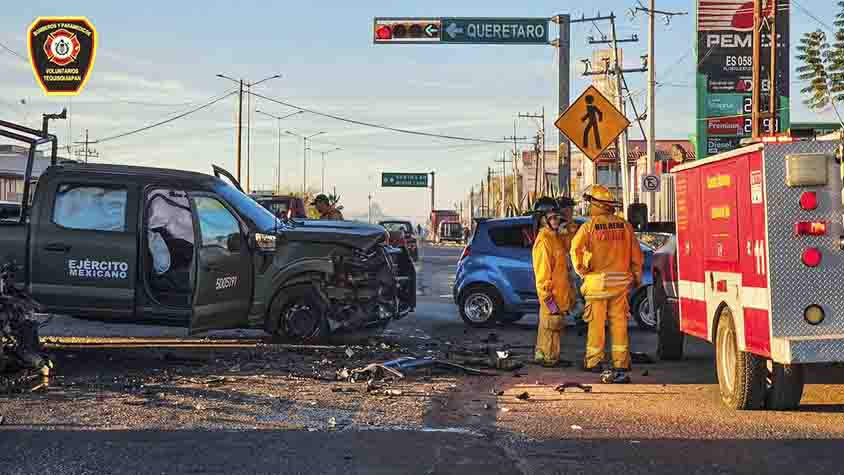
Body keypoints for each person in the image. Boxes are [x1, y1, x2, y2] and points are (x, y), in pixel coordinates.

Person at [570, 185, 643, 384]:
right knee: (619, 324)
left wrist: (581, 268)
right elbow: (636, 255)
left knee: (596, 325)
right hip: (620, 285)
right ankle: (621, 361)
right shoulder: (625, 226)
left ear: (595, 204)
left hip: (597, 286)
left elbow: (575, 249)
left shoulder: (589, 226)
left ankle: (594, 361)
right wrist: (636, 276)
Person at [531, 197, 575, 367]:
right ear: (543, 219)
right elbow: (542, 276)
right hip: (552, 297)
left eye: (558, 217)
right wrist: (548, 300)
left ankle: (546, 356)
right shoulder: (544, 242)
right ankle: (549, 358)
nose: (557, 220)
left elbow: (570, 244)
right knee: (551, 326)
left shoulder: (555, 237)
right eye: (553, 217)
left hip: (559, 295)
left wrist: (568, 223)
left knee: (551, 328)